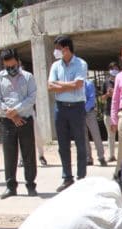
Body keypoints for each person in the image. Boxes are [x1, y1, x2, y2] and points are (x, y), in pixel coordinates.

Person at [0, 48, 38, 199]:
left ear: (18, 62)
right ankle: (10, 187)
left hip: (25, 119)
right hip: (7, 121)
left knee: (28, 154)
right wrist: (11, 115)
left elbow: (31, 97)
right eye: (7, 67)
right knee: (9, 155)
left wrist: (17, 111)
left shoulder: (28, 77)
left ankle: (31, 185)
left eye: (13, 66)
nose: (11, 69)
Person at [48, 34, 88, 192]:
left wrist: (59, 84)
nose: (55, 51)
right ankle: (67, 177)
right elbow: (50, 86)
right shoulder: (55, 66)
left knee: (80, 143)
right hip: (60, 107)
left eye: (57, 48)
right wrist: (68, 85)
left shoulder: (80, 63)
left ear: (66, 48)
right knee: (63, 144)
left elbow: (78, 85)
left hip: (77, 107)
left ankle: (81, 177)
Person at [83, 78, 107, 166]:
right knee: (83, 136)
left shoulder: (88, 84)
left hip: (89, 112)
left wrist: (83, 109)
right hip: (78, 113)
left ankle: (101, 157)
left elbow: (91, 99)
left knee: (96, 135)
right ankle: (88, 158)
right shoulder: (74, 84)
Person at [100, 61, 120, 163]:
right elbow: (101, 99)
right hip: (108, 112)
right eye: (112, 69)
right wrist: (107, 94)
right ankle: (112, 155)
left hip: (121, 112)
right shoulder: (105, 82)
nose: (114, 71)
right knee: (111, 135)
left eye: (116, 68)